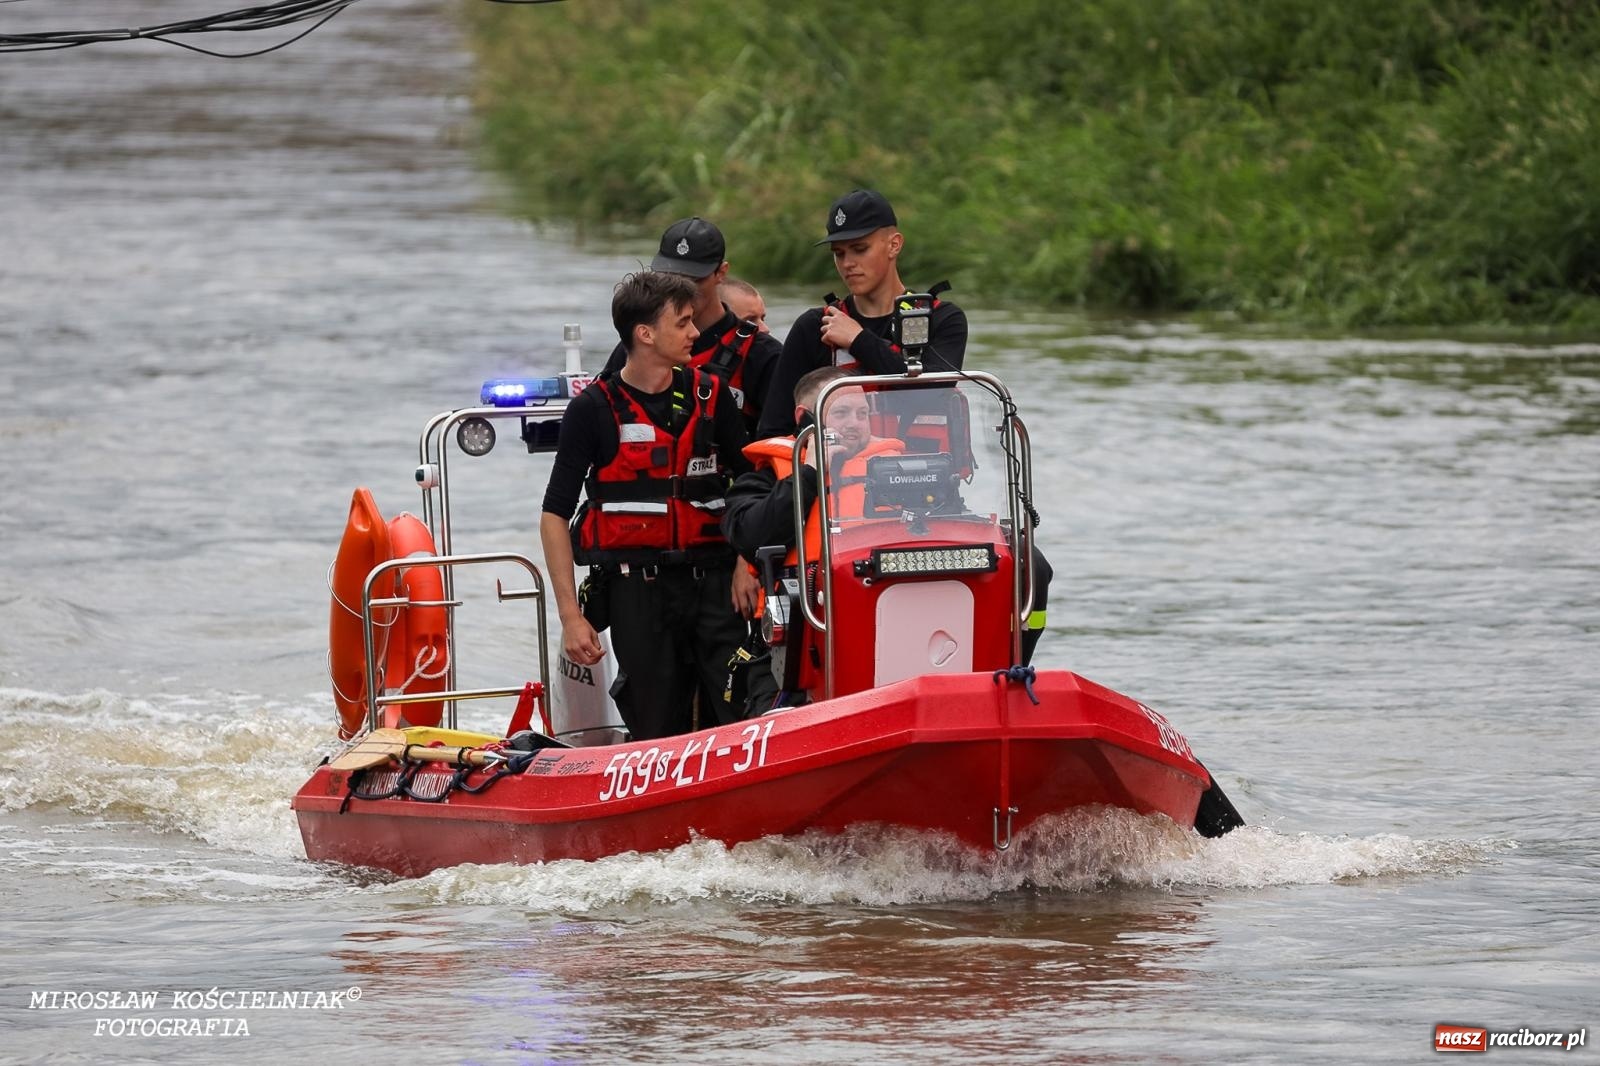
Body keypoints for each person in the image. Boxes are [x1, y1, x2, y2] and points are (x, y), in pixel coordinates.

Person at [541, 271, 753, 741]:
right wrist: (571, 618)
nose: (695, 334)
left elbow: (750, 483)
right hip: (637, 592)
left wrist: (746, 563)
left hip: (716, 586)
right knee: (656, 722)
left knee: (738, 711)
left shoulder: (712, 396)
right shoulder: (593, 410)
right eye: (683, 323)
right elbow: (555, 513)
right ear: (645, 334)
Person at [754, 189, 969, 439]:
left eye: (859, 248)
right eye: (839, 253)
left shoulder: (942, 319)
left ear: (894, 245)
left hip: (924, 474)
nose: (847, 263)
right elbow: (774, 428)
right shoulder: (814, 327)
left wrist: (858, 340)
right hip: (836, 475)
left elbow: (934, 394)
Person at [602, 219, 782, 436]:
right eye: (669, 278)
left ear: (721, 273)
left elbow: (782, 441)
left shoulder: (763, 354)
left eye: (692, 280)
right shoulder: (639, 345)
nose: (680, 291)